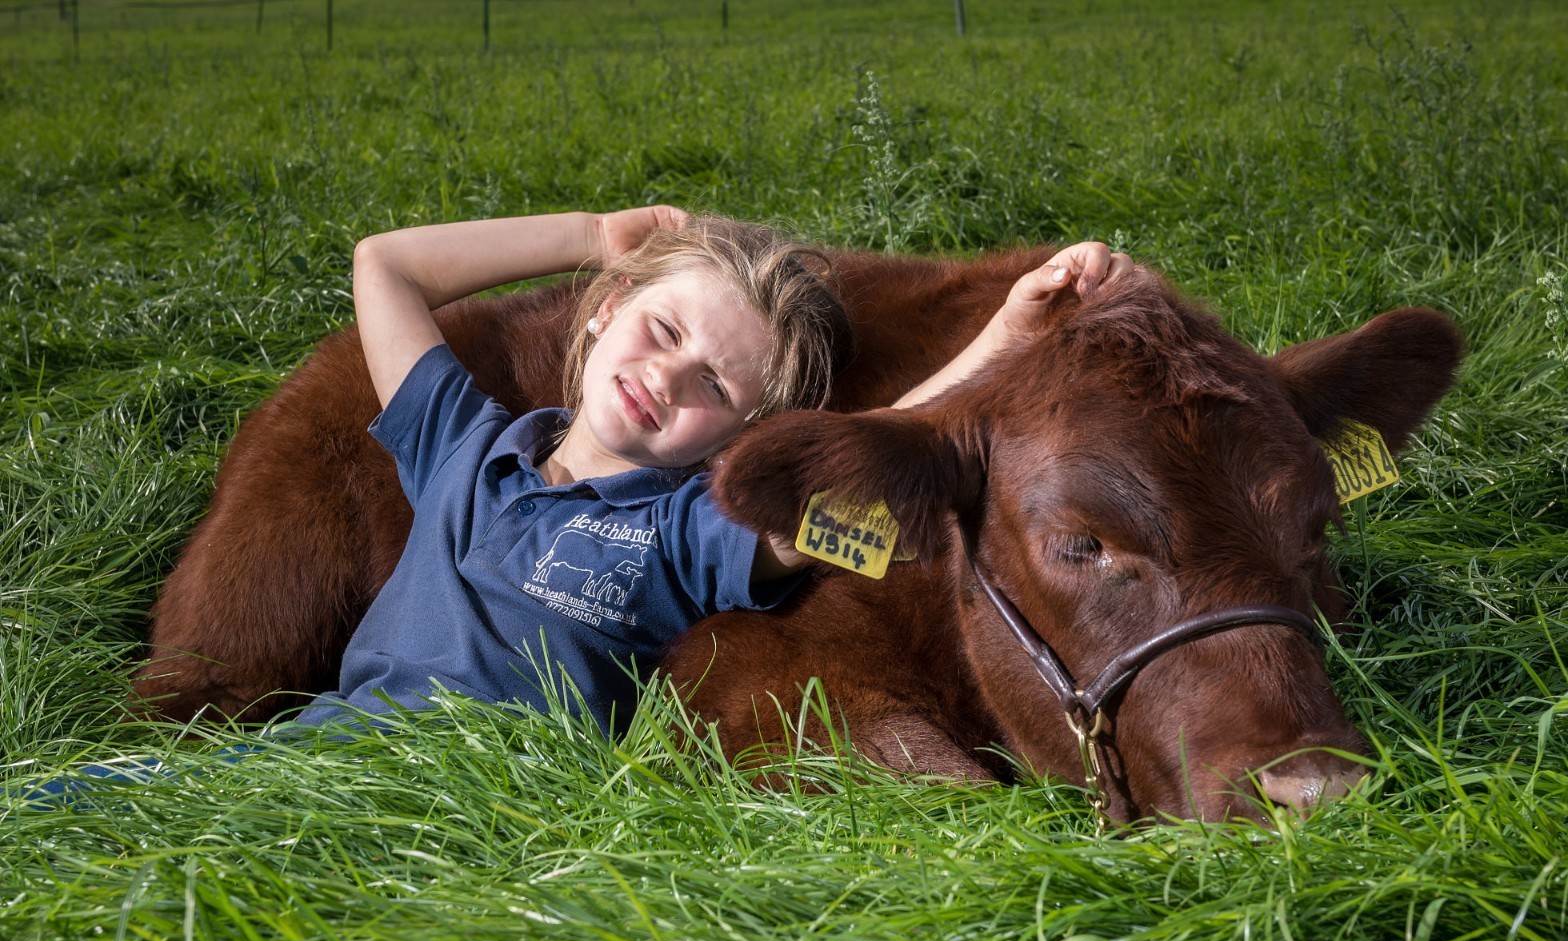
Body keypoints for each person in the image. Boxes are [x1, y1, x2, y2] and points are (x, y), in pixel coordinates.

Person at [292, 206, 1132, 737]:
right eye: (662, 331)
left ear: (744, 432)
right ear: (610, 305)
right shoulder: (463, 447)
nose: (665, 378)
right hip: (304, 760)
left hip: (461, 814)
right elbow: (384, 266)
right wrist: (593, 235)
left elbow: (852, 472)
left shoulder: (685, 534)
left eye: (714, 385)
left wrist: (1005, 340)